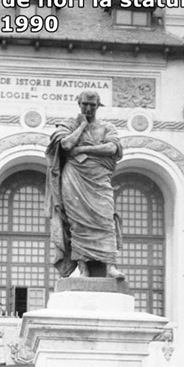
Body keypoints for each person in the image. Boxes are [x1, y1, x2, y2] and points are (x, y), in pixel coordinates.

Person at [45, 90, 125, 279]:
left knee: (106, 219)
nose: (88, 108)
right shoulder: (68, 125)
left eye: (92, 105)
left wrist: (82, 148)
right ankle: (83, 269)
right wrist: (81, 126)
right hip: (74, 179)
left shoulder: (107, 127)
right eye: (84, 105)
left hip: (99, 179)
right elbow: (65, 145)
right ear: (79, 104)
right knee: (78, 223)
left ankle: (110, 266)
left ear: (98, 106)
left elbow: (112, 148)